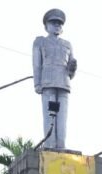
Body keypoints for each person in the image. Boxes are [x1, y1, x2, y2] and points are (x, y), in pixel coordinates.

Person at [33, 8, 77, 149]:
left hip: (64, 83)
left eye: (59, 23)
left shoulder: (67, 44)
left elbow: (71, 72)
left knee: (62, 118)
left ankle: (61, 146)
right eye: (54, 22)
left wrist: (73, 68)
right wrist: (37, 83)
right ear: (46, 25)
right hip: (48, 82)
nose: (57, 25)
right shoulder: (40, 42)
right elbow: (36, 64)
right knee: (49, 116)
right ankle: (50, 145)